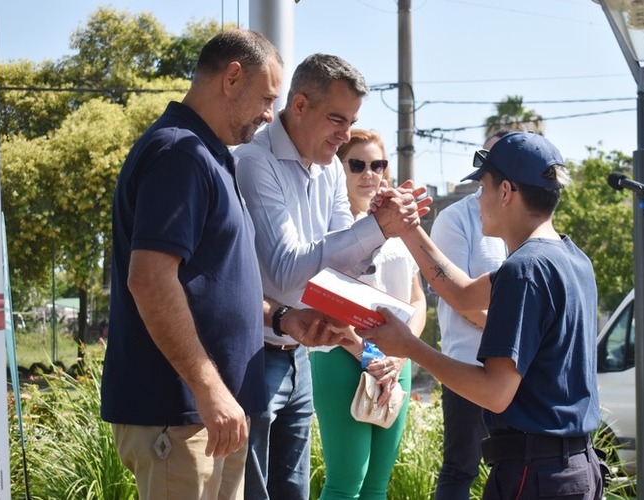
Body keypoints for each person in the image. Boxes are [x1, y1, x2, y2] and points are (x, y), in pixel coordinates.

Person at [101, 30, 345, 500]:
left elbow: (216, 283)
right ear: (232, 78)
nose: (269, 114)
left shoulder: (209, 155)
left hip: (210, 415)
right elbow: (150, 279)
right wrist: (208, 389)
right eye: (267, 98)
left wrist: (283, 318)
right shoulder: (180, 153)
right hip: (181, 414)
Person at [361, 131, 604, 499]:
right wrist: (408, 227)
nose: (478, 199)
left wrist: (410, 347)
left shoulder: (524, 270)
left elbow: (494, 393)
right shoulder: (570, 257)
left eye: (483, 187)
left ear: (506, 192)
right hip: (575, 469)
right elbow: (460, 292)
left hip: (535, 477)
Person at [234, 53, 427, 500]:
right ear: (299, 105)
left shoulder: (328, 171)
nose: (344, 135)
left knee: (298, 492)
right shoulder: (254, 161)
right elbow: (287, 270)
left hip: (300, 353)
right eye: (338, 120)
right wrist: (377, 228)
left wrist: (380, 226)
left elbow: (342, 271)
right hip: (255, 353)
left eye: (352, 122)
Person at [310, 128, 427, 499]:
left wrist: (401, 354)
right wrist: (369, 354)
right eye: (357, 164)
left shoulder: (401, 228)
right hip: (340, 355)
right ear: (338, 168)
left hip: (396, 363)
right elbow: (324, 303)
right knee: (346, 484)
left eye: (378, 165)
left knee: (377, 486)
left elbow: (418, 300)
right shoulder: (332, 226)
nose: (369, 174)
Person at [431, 130, 509, 500]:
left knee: (513, 466)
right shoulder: (455, 219)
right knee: (461, 468)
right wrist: (514, 334)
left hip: (516, 368)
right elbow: (460, 300)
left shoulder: (524, 221)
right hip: (468, 367)